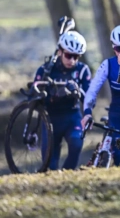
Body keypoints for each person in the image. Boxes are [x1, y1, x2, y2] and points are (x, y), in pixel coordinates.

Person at [81, 25, 120, 166]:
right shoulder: (108, 65)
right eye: (118, 49)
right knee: (119, 156)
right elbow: (92, 91)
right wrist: (87, 112)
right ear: (113, 49)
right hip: (117, 117)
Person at [34, 30, 91, 170]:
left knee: (77, 143)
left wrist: (77, 90)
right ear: (60, 51)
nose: (72, 60)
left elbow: (89, 97)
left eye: (76, 57)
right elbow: (33, 95)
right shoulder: (45, 69)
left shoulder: (83, 70)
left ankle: (67, 174)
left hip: (72, 116)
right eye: (68, 55)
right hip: (50, 118)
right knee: (49, 164)